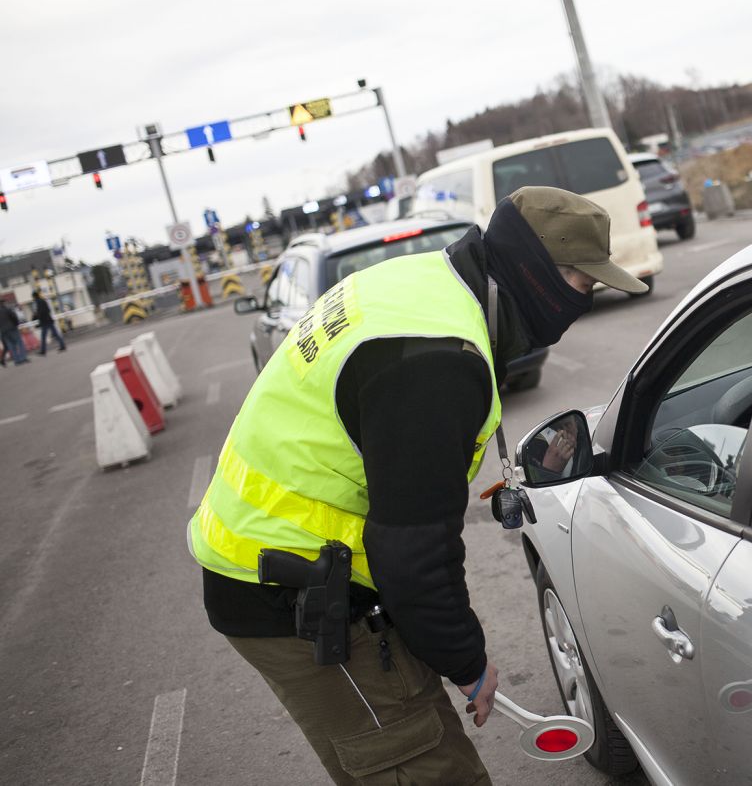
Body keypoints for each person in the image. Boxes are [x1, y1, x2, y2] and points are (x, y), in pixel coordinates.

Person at [187, 186, 647, 785]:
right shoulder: (434, 362)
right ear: (535, 273)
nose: (582, 303)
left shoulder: (424, 284)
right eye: (581, 284)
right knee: (418, 762)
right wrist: (468, 662)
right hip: (296, 596)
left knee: (419, 735)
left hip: (285, 562)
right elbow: (413, 552)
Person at [31, 290, 66, 355]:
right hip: (49, 320)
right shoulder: (43, 301)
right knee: (55, 334)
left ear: (34, 297)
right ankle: (62, 345)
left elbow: (40, 313)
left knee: (43, 337)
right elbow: (48, 310)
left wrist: (37, 318)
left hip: (44, 322)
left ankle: (43, 351)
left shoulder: (38, 302)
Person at [0, 299, 30, 367]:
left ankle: (17, 361)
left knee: (11, 346)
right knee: (19, 343)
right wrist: (16, 324)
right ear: (2, 303)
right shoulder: (6, 309)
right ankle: (23, 358)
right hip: (12, 328)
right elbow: (14, 317)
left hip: (3, 332)